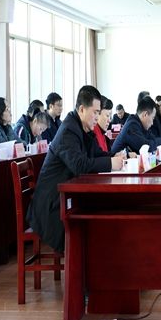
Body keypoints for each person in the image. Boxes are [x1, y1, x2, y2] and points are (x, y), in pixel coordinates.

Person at [29, 86, 124, 252]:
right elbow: (80, 166)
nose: (97, 117)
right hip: (52, 204)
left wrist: (116, 156)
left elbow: (96, 153)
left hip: (67, 196)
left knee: (105, 208)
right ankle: (85, 262)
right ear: (81, 109)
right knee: (96, 214)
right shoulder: (68, 130)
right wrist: (110, 163)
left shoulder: (82, 127)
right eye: (95, 112)